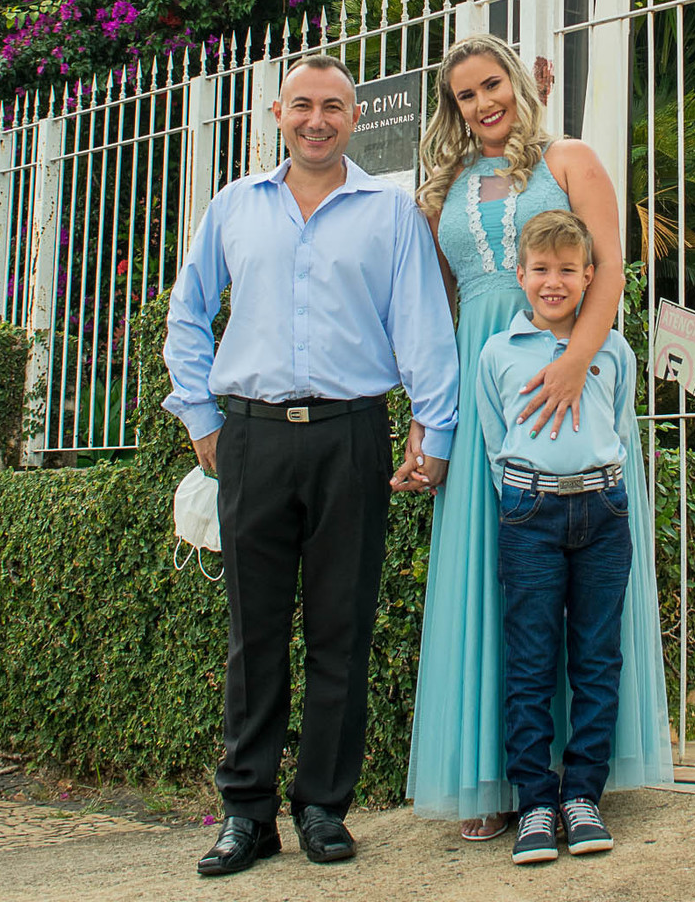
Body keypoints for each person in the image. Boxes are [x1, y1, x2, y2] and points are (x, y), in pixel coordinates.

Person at [163, 55, 459, 878]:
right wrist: (199, 416)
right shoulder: (234, 206)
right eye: (303, 106)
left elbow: (423, 328)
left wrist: (433, 433)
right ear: (277, 113)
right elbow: (187, 314)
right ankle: (245, 815)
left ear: (355, 119)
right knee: (253, 637)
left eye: (334, 107)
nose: (317, 120)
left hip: (350, 436)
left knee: (341, 631)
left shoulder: (390, 212)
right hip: (249, 440)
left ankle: (324, 808)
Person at [401, 34, 671, 836]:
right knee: (492, 578)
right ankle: (499, 782)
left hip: (569, 377)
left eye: (492, 85)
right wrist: (431, 417)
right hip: (488, 383)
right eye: (464, 96)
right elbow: (439, 315)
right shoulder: (443, 185)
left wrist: (572, 365)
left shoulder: (571, 159)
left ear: (518, 82)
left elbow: (611, 269)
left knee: (580, 593)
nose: (482, 105)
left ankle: (580, 780)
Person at [477, 209, 640, 864]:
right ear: (521, 275)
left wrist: (603, 479)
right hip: (529, 515)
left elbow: (621, 425)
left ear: (589, 276)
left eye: (567, 270)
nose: (553, 282)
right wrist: (520, 491)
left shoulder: (614, 350)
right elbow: (494, 439)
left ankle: (583, 796)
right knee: (531, 661)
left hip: (603, 512)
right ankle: (537, 803)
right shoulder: (499, 354)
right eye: (541, 270)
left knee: (597, 657)